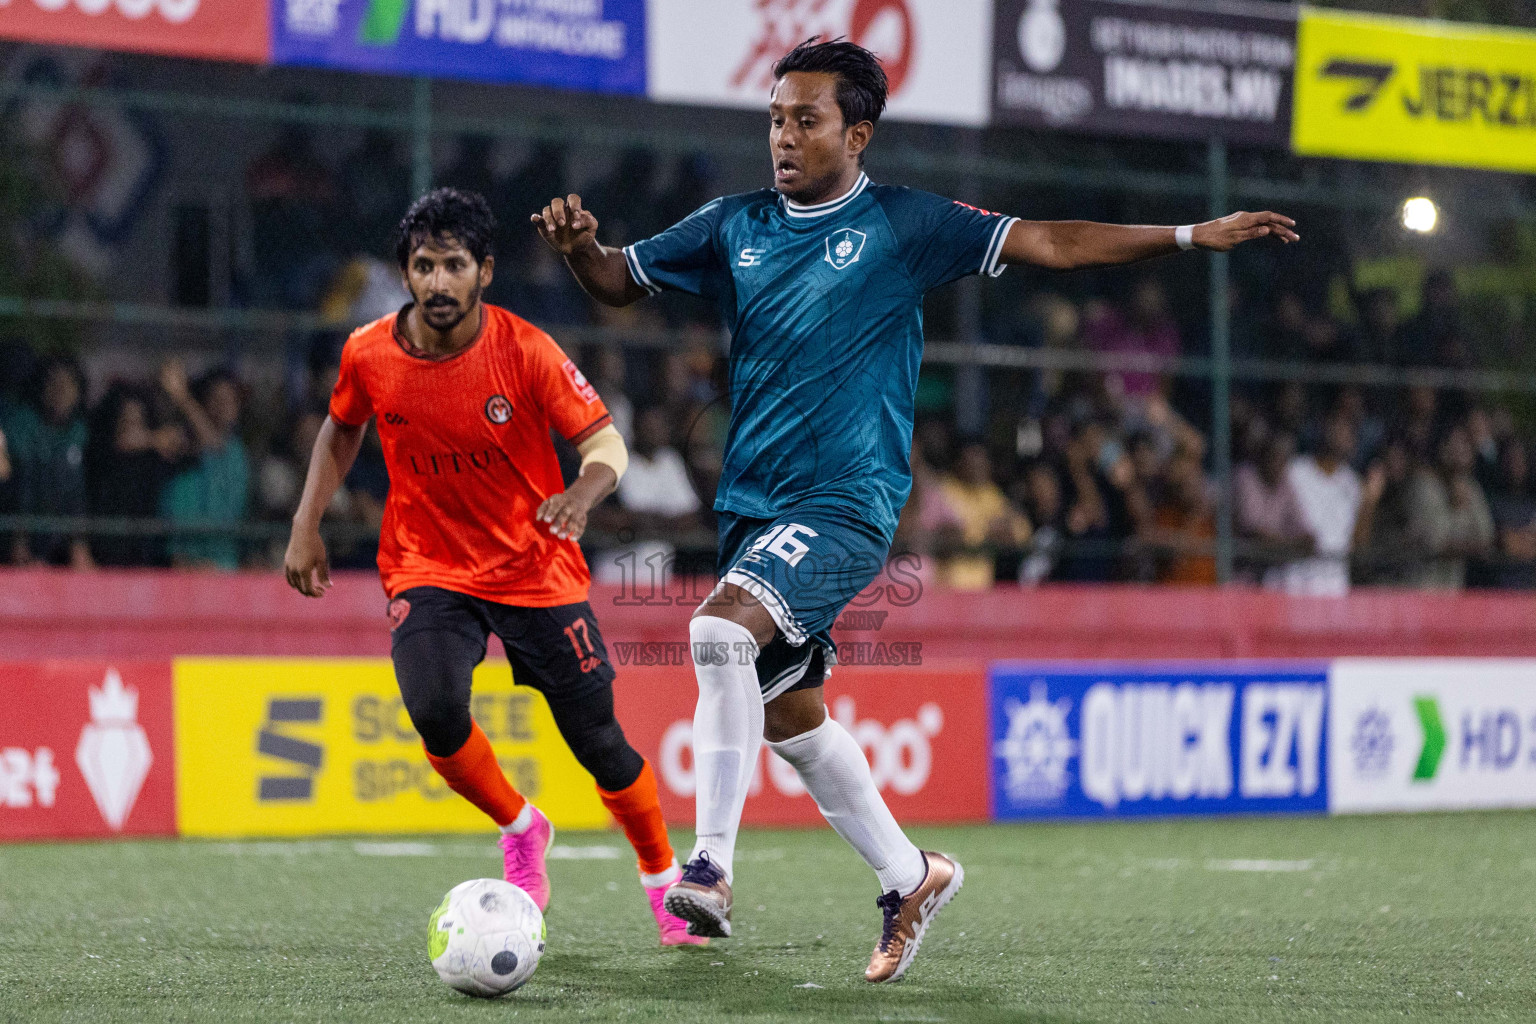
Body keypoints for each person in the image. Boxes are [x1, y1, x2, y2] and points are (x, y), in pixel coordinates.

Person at [534, 37, 1296, 982]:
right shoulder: (733, 225)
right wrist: (580, 253)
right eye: (775, 118)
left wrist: (1189, 236)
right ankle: (911, 875)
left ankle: (711, 869)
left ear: (856, 134)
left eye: (805, 121)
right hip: (753, 507)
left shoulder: (905, 224)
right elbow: (616, 281)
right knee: (791, 717)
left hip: (848, 499)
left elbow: (1050, 241)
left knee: (718, 633)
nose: (783, 136)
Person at [282, 189, 702, 947]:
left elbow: (607, 446)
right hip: (427, 566)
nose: (438, 283)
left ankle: (664, 878)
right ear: (404, 273)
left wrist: (582, 493)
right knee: (437, 714)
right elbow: (341, 431)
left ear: (485, 271)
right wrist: (305, 523)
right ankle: (520, 825)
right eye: (423, 266)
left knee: (600, 742)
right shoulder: (368, 351)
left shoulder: (526, 349)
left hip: (536, 568)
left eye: (454, 266)